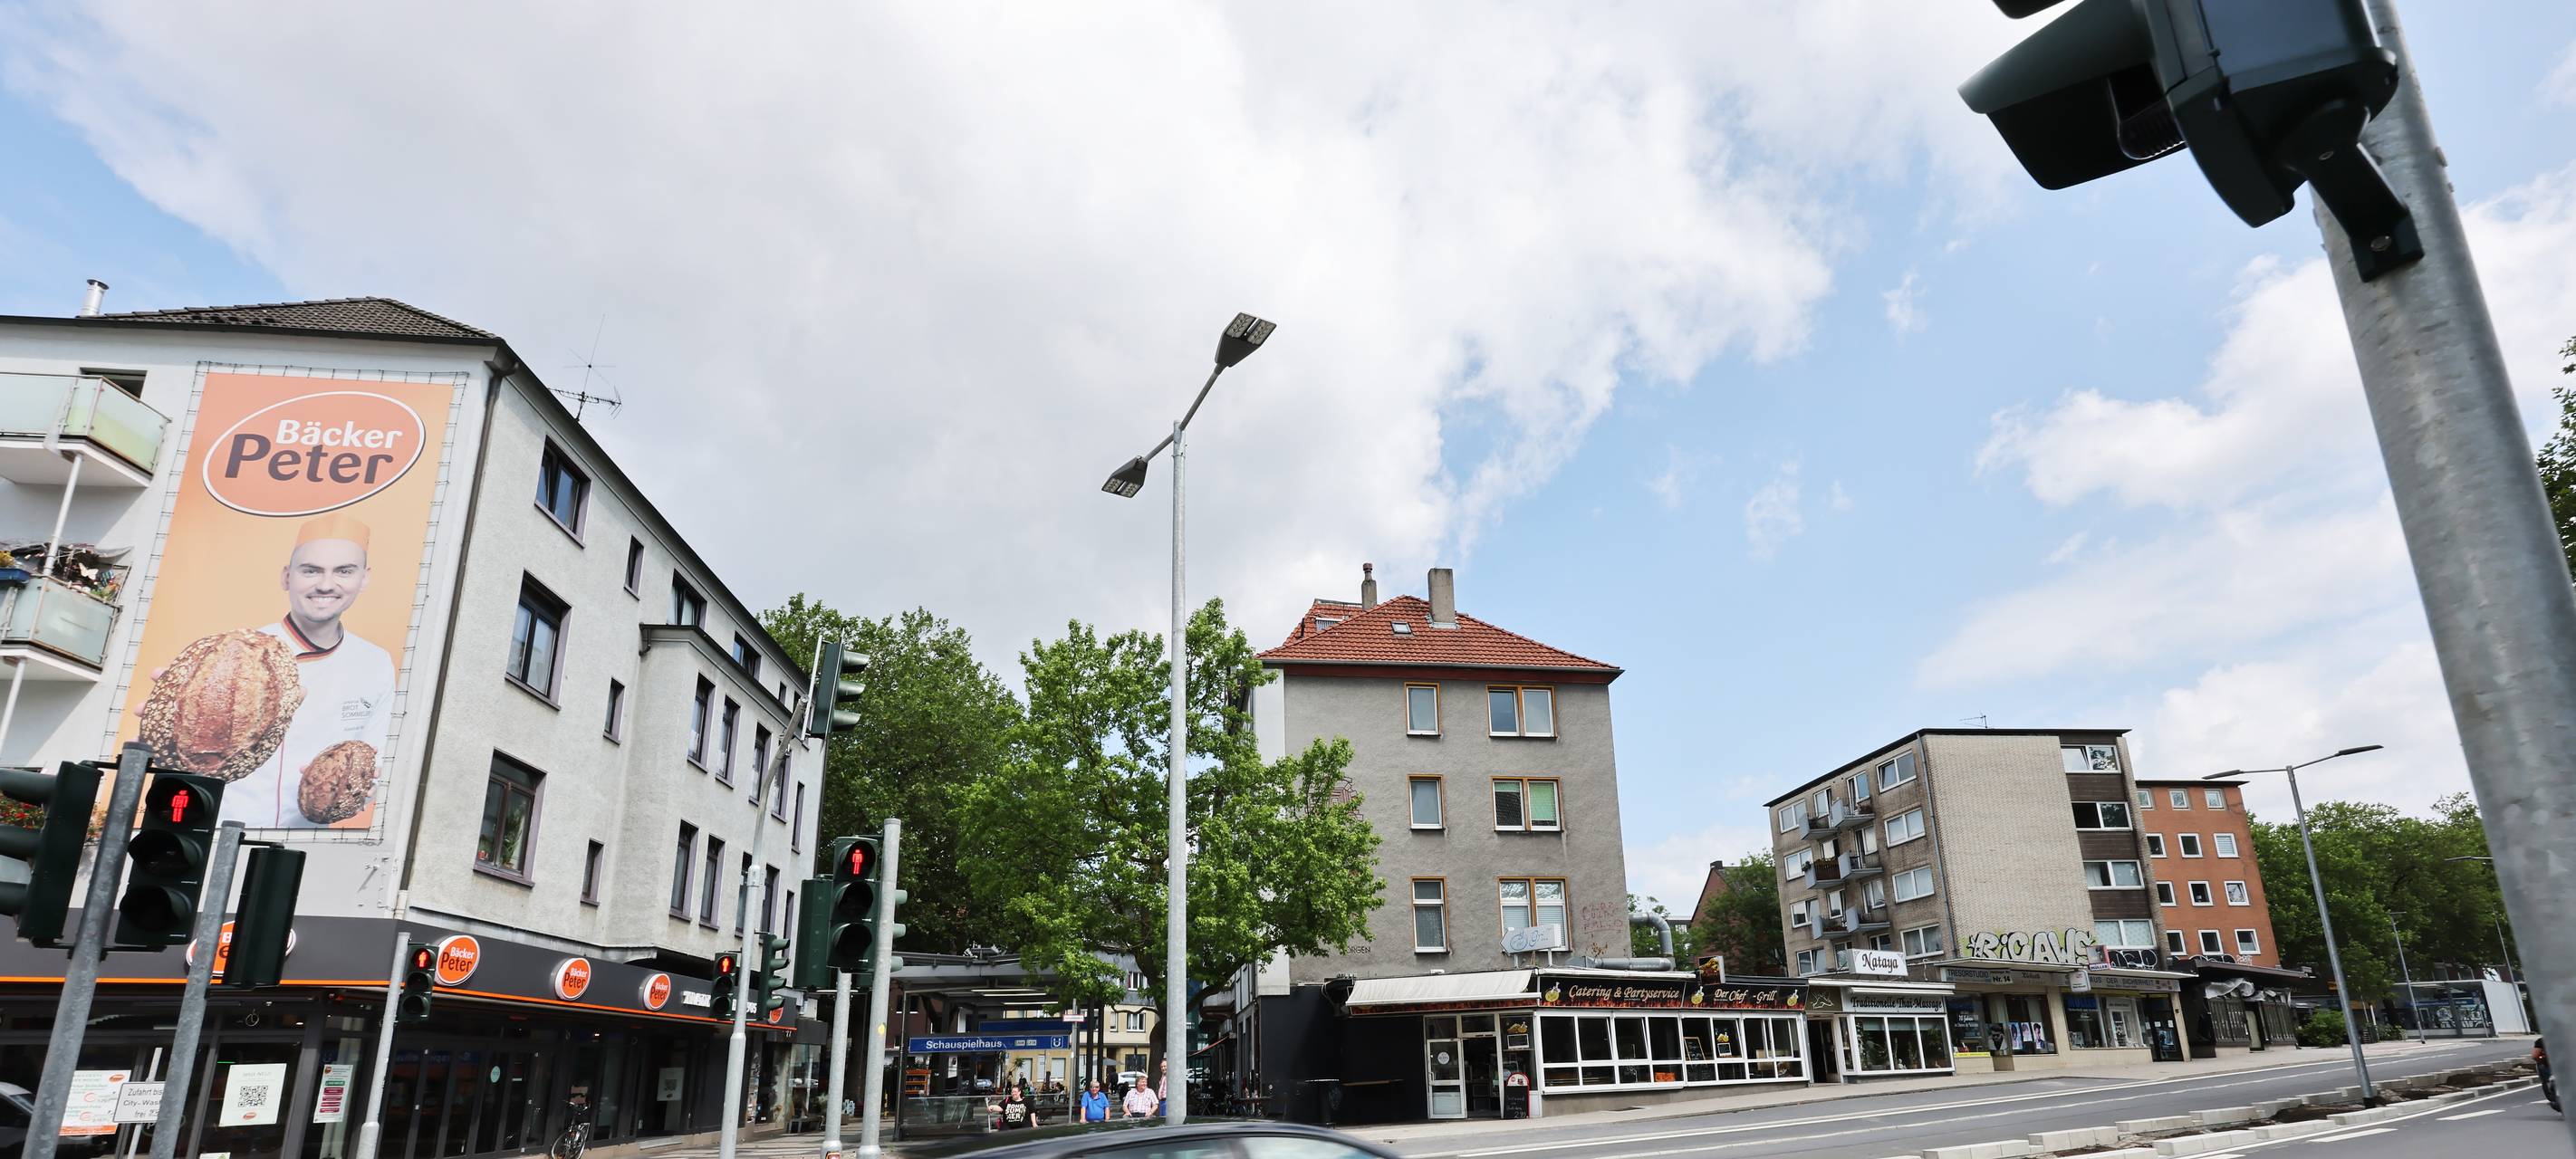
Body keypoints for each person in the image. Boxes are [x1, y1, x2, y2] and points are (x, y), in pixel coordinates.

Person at [227, 515, 396, 828]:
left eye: (344, 571)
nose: (326, 584)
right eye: (311, 570)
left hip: (308, 843)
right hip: (223, 831)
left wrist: (363, 785)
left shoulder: (376, 663)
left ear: (364, 579)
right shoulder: (242, 651)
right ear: (286, 577)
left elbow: (377, 755)